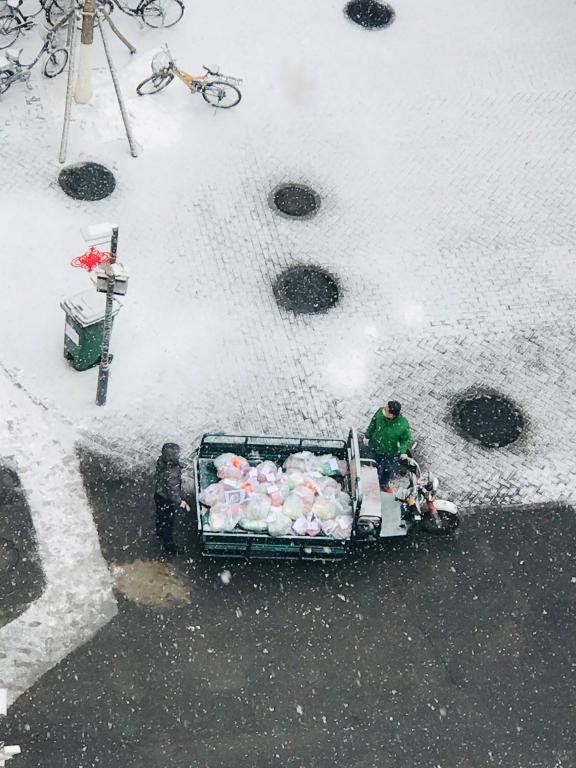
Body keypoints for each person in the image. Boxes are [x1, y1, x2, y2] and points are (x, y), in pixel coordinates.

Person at [364, 400, 411, 492]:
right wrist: (367, 435)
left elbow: (405, 440)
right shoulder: (380, 412)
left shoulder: (402, 425)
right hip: (375, 446)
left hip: (390, 452)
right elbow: (373, 423)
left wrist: (403, 451)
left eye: (386, 410)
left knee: (388, 469)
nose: (383, 410)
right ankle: (372, 482)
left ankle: (384, 484)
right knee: (372, 466)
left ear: (392, 415)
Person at [154, 442, 190, 555]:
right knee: (168, 523)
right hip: (166, 500)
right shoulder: (172, 473)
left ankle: (159, 530)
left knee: (160, 516)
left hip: (159, 495)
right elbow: (173, 492)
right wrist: (181, 502)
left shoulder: (161, 461)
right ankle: (170, 547)